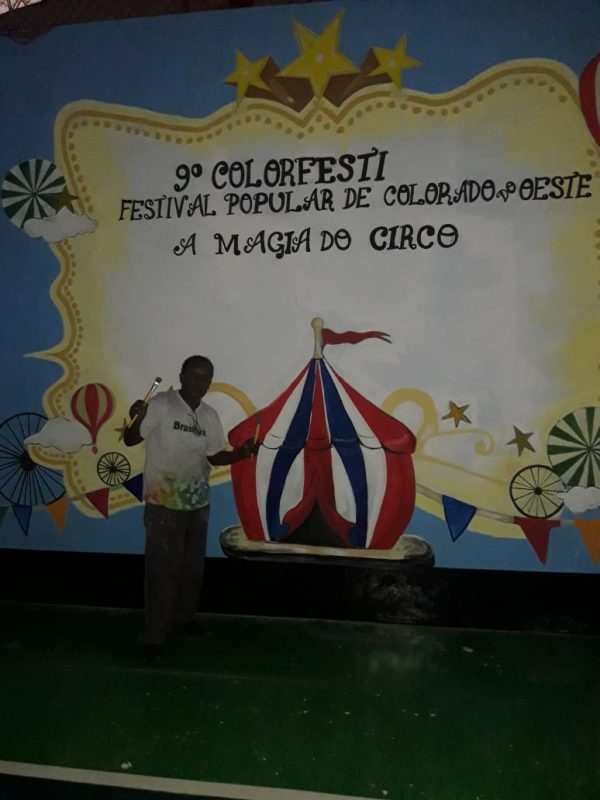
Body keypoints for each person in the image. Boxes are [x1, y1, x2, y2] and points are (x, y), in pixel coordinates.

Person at [124, 355, 257, 662]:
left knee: (191, 569)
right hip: (163, 504)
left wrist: (241, 453)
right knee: (162, 571)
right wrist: (136, 418)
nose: (200, 382)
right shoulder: (161, 404)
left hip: (198, 502)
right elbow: (130, 440)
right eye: (195, 375)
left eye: (206, 377)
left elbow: (214, 456)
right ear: (182, 375)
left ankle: (184, 617)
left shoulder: (209, 415)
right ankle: (154, 635)